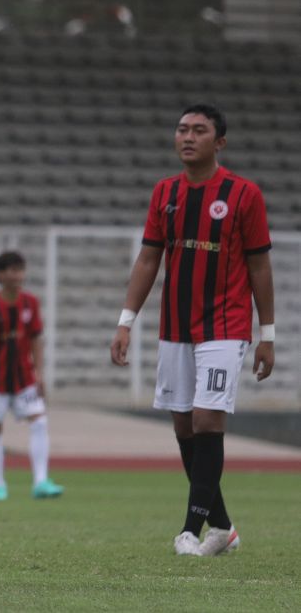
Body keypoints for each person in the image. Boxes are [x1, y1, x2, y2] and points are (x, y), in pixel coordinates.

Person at [110, 104, 274, 557]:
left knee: (207, 418)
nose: (187, 137)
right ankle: (222, 527)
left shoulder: (244, 195)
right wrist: (126, 322)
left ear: (219, 142)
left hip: (226, 324)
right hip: (175, 325)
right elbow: (148, 260)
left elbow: (259, 265)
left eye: (199, 131)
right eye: (182, 129)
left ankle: (189, 531)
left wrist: (268, 334)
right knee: (184, 423)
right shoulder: (165, 192)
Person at [0, 251, 64, 501]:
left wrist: (40, 374)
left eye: (20, 270)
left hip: (24, 378)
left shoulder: (30, 303)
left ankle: (41, 481)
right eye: (11, 270)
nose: (17, 275)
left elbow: (36, 340)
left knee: (39, 420)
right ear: (0, 275)